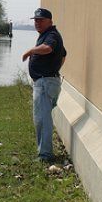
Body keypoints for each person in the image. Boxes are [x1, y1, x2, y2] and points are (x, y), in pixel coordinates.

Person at [22, 8, 67, 164]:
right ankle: (44, 152)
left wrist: (30, 51)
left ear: (50, 21)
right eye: (35, 20)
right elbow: (64, 55)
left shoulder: (52, 36)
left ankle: (45, 155)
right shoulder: (47, 35)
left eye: (41, 20)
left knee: (42, 119)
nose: (37, 23)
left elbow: (48, 49)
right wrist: (54, 69)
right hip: (47, 81)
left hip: (45, 83)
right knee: (42, 117)